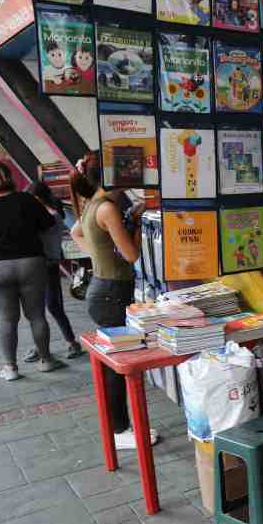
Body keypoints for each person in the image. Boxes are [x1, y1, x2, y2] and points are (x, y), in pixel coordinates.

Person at [70, 161, 157, 451]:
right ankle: (120, 431)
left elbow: (76, 233)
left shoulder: (94, 203)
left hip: (105, 291)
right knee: (117, 367)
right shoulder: (107, 208)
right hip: (112, 294)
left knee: (115, 365)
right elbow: (131, 255)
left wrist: (100, 254)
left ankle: (120, 428)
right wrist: (137, 221)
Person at [0, 160, 64, 380]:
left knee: (7, 319)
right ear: (8, 176)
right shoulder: (26, 199)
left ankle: (10, 368)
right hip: (31, 263)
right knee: (37, 315)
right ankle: (46, 360)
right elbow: (49, 224)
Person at [23, 182, 83, 362]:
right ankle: (40, 346)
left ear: (37, 198)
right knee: (38, 309)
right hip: (38, 265)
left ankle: (71, 342)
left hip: (47, 264)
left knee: (53, 306)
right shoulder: (44, 214)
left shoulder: (51, 215)